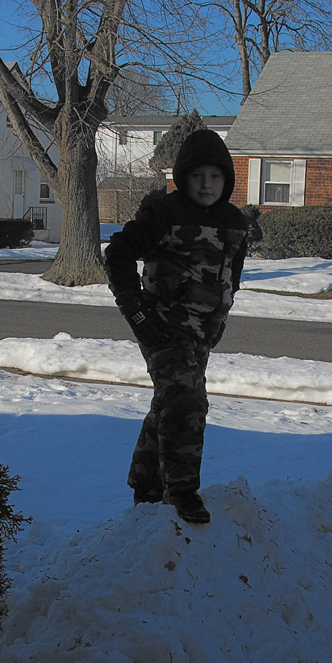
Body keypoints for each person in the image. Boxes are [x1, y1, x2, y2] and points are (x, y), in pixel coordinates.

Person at [103, 129, 249, 524]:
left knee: (169, 400)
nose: (206, 184)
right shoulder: (164, 213)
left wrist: (220, 318)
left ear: (227, 180)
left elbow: (230, 277)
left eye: (215, 176)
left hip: (201, 333)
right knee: (187, 401)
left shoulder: (235, 223)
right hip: (161, 327)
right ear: (183, 176)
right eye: (198, 175)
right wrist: (136, 311)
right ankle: (181, 493)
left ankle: (146, 486)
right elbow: (117, 254)